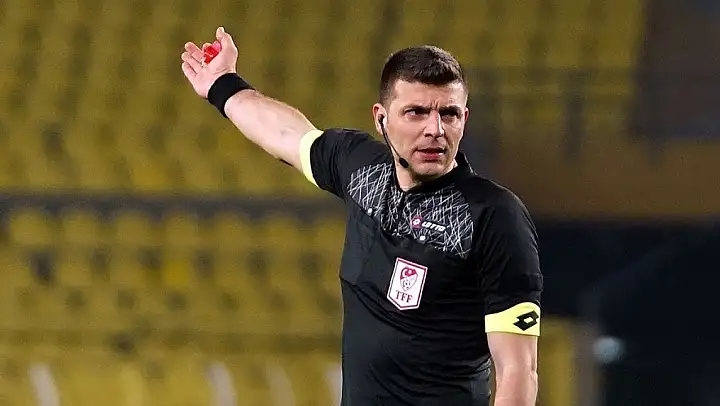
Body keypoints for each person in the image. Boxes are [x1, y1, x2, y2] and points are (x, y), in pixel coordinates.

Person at [181, 26, 543, 406]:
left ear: (464, 119)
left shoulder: (494, 216)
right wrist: (224, 85)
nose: (435, 129)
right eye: (416, 112)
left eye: (449, 114)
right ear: (381, 118)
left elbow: (519, 369)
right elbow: (286, 134)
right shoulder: (362, 171)